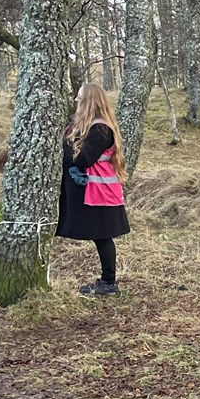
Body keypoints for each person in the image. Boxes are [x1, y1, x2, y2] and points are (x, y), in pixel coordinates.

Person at [57, 83, 130, 297]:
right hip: (95, 191)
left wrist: (64, 146)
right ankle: (108, 281)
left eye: (80, 98)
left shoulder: (100, 129)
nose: (76, 101)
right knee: (101, 236)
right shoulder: (92, 126)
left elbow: (83, 159)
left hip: (100, 192)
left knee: (103, 236)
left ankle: (109, 282)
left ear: (89, 101)